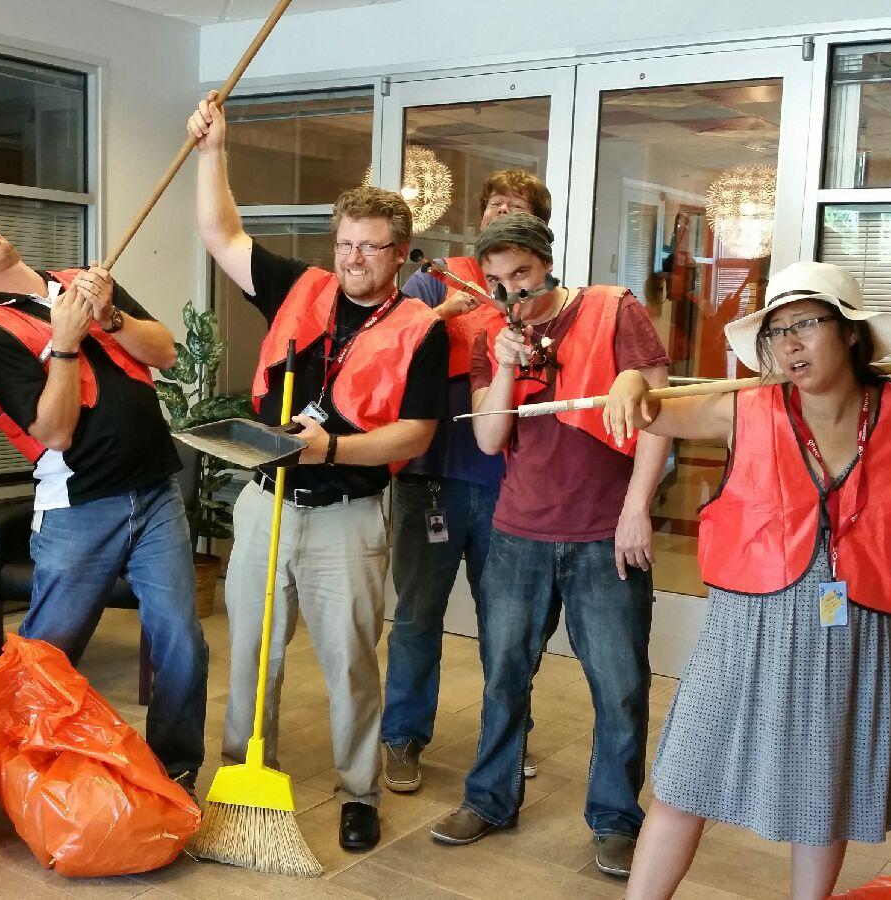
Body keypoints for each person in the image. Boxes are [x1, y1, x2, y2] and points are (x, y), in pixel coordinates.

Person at [604, 261, 891, 900]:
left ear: (849, 331)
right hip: (747, 627)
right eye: (777, 331)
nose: (789, 343)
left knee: (826, 792)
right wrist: (629, 379)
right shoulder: (744, 408)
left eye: (806, 325)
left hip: (854, 625)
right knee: (686, 779)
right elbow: (651, 412)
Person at [188, 89, 448, 851]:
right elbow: (220, 232)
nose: (353, 259)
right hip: (266, 504)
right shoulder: (299, 289)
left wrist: (327, 449)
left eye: (370, 247)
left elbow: (415, 432)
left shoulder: (421, 329)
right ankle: (244, 774)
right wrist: (213, 151)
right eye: (345, 244)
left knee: (351, 664)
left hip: (348, 517)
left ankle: (359, 791)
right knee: (251, 657)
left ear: (399, 253)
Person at [0, 213, 208, 787]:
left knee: (182, 642)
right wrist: (67, 344)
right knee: (47, 656)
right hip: (80, 509)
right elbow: (53, 432)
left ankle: (175, 775)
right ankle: (19, 776)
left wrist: (110, 316)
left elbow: (164, 352)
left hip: (156, 492)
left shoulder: (82, 282)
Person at [428, 214, 669, 883]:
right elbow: (488, 439)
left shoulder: (613, 310)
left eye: (523, 275)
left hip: (603, 533)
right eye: (497, 281)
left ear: (547, 263)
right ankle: (489, 800)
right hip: (518, 532)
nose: (512, 292)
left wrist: (636, 510)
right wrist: (505, 366)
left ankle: (616, 820)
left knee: (620, 686)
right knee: (504, 678)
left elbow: (660, 414)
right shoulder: (490, 335)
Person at [381, 170, 555, 793]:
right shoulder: (438, 278)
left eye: (515, 206)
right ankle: (402, 737)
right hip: (430, 476)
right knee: (416, 615)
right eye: (493, 204)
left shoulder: (539, 291)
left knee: (506, 626)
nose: (499, 213)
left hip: (509, 482)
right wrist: (437, 315)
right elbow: (386, 345)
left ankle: (507, 739)